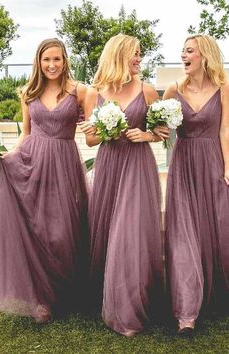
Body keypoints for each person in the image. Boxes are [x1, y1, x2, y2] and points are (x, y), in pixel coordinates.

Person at [0, 38, 89, 322]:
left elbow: (91, 132)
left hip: (64, 164)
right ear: (38, 61)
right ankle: (42, 300)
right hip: (33, 164)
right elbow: (26, 133)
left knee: (62, 231)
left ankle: (66, 292)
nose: (51, 65)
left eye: (56, 59)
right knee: (39, 229)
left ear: (65, 60)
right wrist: (9, 154)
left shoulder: (79, 91)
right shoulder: (28, 92)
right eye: (46, 60)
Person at [79, 33, 166, 336]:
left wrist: (146, 135)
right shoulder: (96, 92)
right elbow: (90, 140)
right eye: (135, 53)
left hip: (138, 167)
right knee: (107, 230)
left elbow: (159, 132)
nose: (140, 58)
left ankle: (128, 309)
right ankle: (107, 296)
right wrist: (109, 130)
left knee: (129, 233)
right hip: (110, 165)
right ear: (119, 55)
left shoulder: (148, 91)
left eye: (141, 53)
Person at [155, 34, 229, 334]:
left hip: (213, 163)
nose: (183, 56)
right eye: (182, 51)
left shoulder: (224, 89)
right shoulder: (174, 89)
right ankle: (186, 312)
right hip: (183, 165)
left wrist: (228, 166)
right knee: (183, 234)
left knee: (218, 230)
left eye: (190, 51)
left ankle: (215, 295)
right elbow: (158, 127)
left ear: (205, 56)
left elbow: (226, 130)